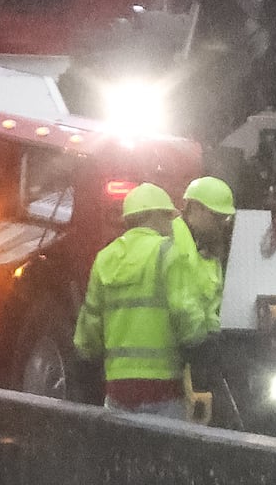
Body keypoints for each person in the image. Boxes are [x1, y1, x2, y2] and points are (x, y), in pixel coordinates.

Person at [73, 183, 217, 419]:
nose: (172, 224)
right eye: (168, 217)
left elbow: (90, 322)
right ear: (154, 216)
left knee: (123, 454)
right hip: (163, 390)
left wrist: (86, 356)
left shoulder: (105, 257)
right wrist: (201, 345)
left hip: (117, 389)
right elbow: (184, 311)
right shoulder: (167, 252)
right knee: (163, 454)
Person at [174, 176, 237, 326]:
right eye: (216, 217)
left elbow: (211, 306)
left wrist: (211, 336)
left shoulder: (209, 249)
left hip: (195, 342)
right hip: (176, 343)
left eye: (226, 218)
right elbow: (178, 305)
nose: (222, 224)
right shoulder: (171, 240)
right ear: (196, 208)